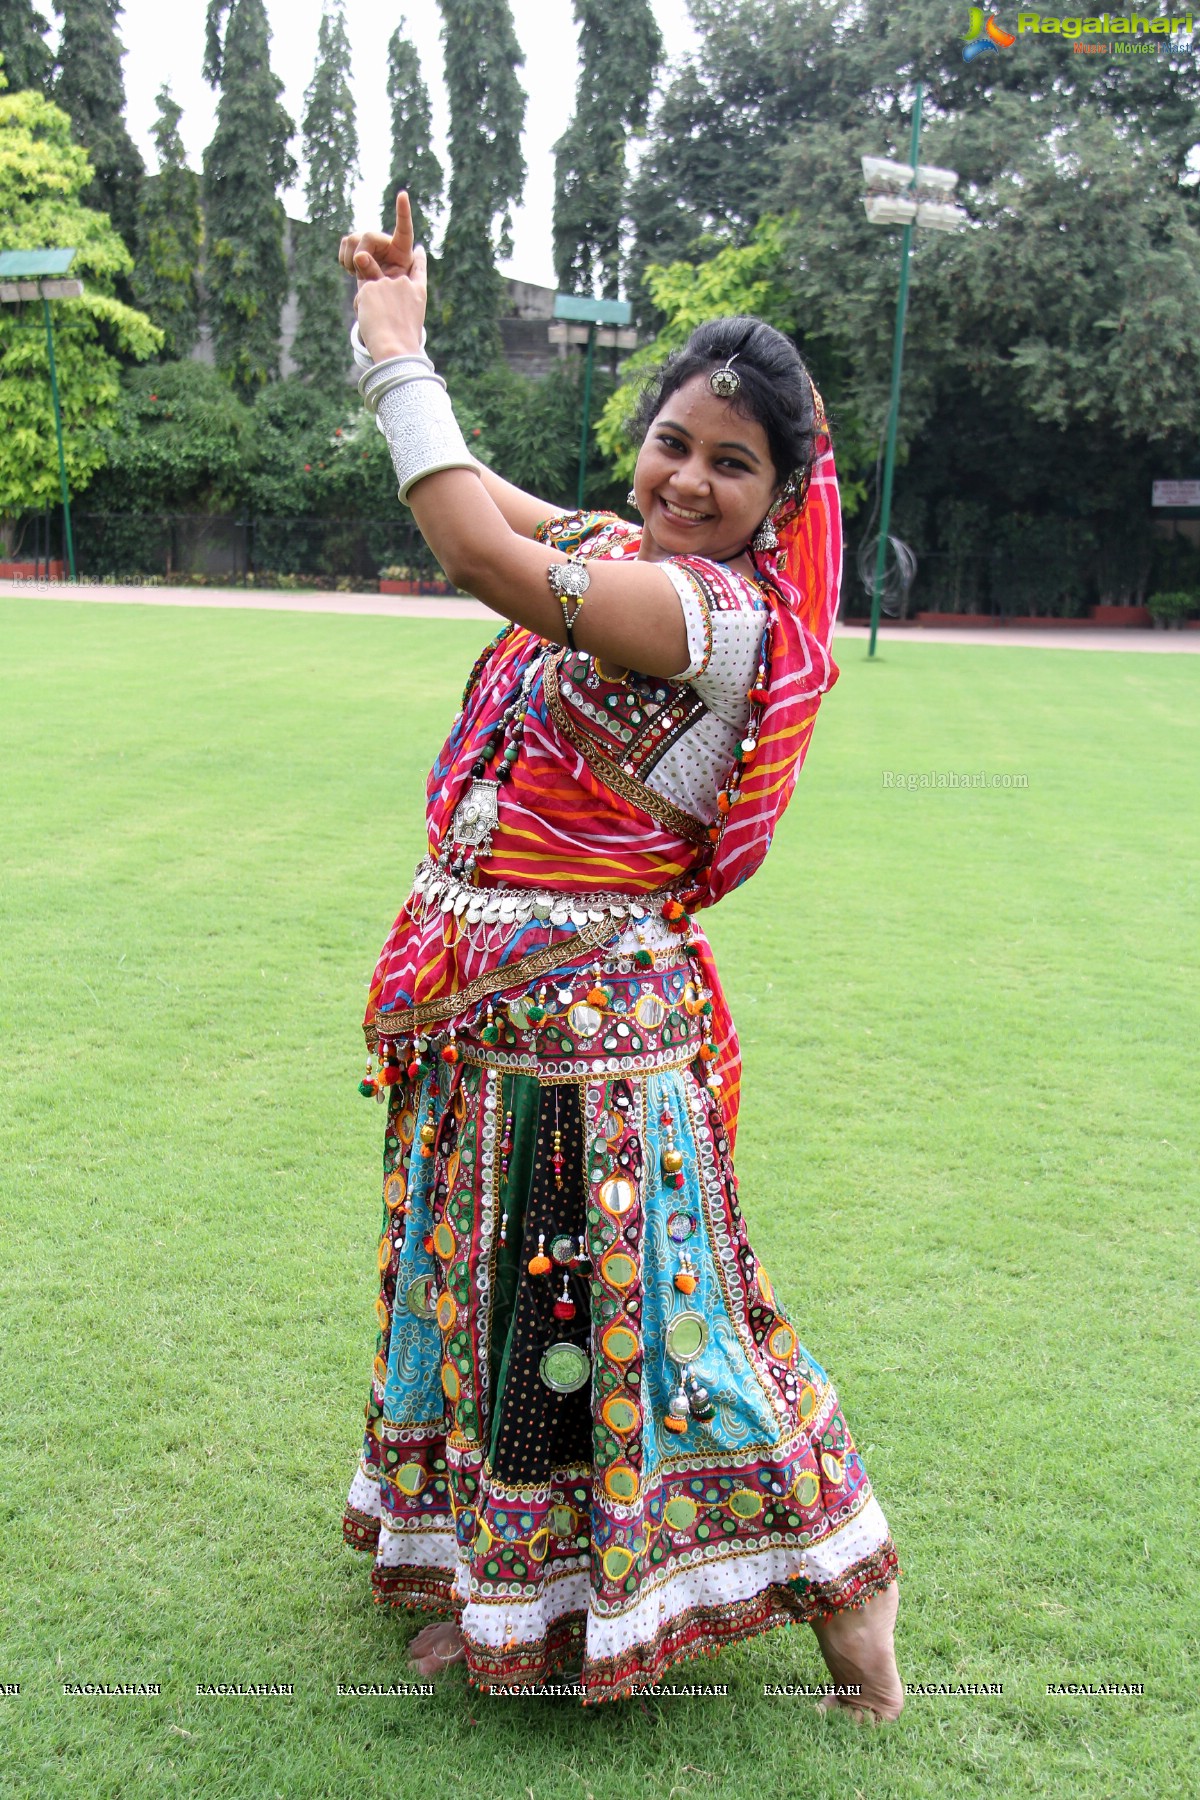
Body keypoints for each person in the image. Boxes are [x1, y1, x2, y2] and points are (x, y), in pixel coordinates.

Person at [336, 194, 903, 1718]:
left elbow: (467, 543)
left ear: (781, 497)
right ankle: (517, 1601)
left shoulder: (713, 619)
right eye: (674, 442)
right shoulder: (627, 549)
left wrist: (396, 360)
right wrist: (399, 343)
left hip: (597, 1043)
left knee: (670, 1324)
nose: (690, 480)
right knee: (517, 1315)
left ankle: (854, 1591)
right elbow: (506, 503)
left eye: (734, 464)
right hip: (496, 1021)